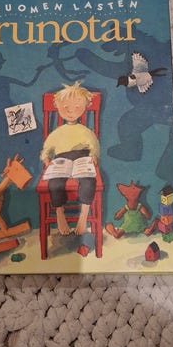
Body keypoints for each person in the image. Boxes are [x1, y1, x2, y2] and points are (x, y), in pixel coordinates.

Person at [40, 82, 100, 235]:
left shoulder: (85, 131)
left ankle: (83, 216)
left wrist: (94, 155)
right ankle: (60, 214)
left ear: (85, 106)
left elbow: (94, 144)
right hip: (61, 160)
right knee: (55, 183)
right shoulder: (58, 132)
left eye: (77, 107)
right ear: (57, 107)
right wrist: (46, 158)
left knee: (88, 180)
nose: (71, 111)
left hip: (82, 158)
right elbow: (47, 147)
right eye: (65, 107)